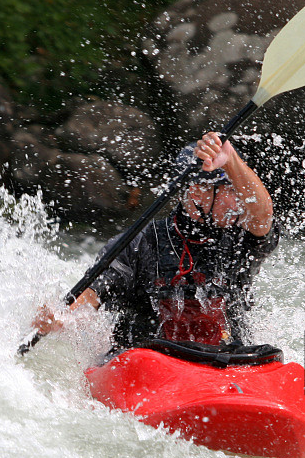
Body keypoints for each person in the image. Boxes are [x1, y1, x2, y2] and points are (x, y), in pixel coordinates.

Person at [33, 131, 279, 349]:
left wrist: (231, 160)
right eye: (231, 191)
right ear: (196, 191)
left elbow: (262, 214)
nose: (239, 202)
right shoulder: (138, 243)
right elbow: (92, 295)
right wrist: (62, 317)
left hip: (228, 364)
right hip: (150, 365)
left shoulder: (238, 241)